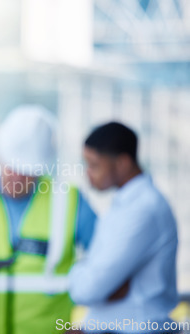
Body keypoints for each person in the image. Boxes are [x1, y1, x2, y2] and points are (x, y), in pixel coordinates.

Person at [0, 105, 97, 334]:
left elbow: (110, 266)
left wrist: (91, 325)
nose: (18, 176)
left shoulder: (69, 200)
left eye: (27, 170)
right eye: (13, 167)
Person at [68, 122, 179, 334]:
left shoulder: (144, 209)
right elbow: (98, 282)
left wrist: (80, 272)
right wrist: (94, 275)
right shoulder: (124, 205)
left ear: (122, 163)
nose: (88, 173)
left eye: (94, 165)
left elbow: (89, 289)